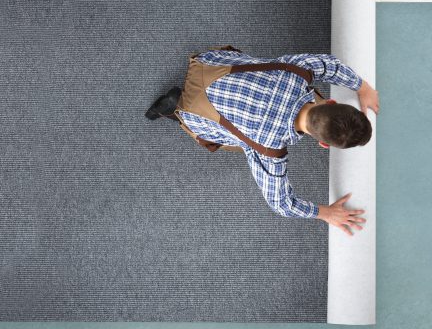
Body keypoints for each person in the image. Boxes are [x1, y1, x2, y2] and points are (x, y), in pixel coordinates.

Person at [145, 48, 379, 236]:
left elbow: (331, 65)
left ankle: (184, 101)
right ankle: (175, 110)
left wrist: (363, 86)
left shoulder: (296, 73)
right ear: (323, 144)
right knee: (242, 144)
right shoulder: (269, 149)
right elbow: (281, 204)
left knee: (250, 123)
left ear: (330, 103)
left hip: (209, 64)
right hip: (195, 109)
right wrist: (325, 213)